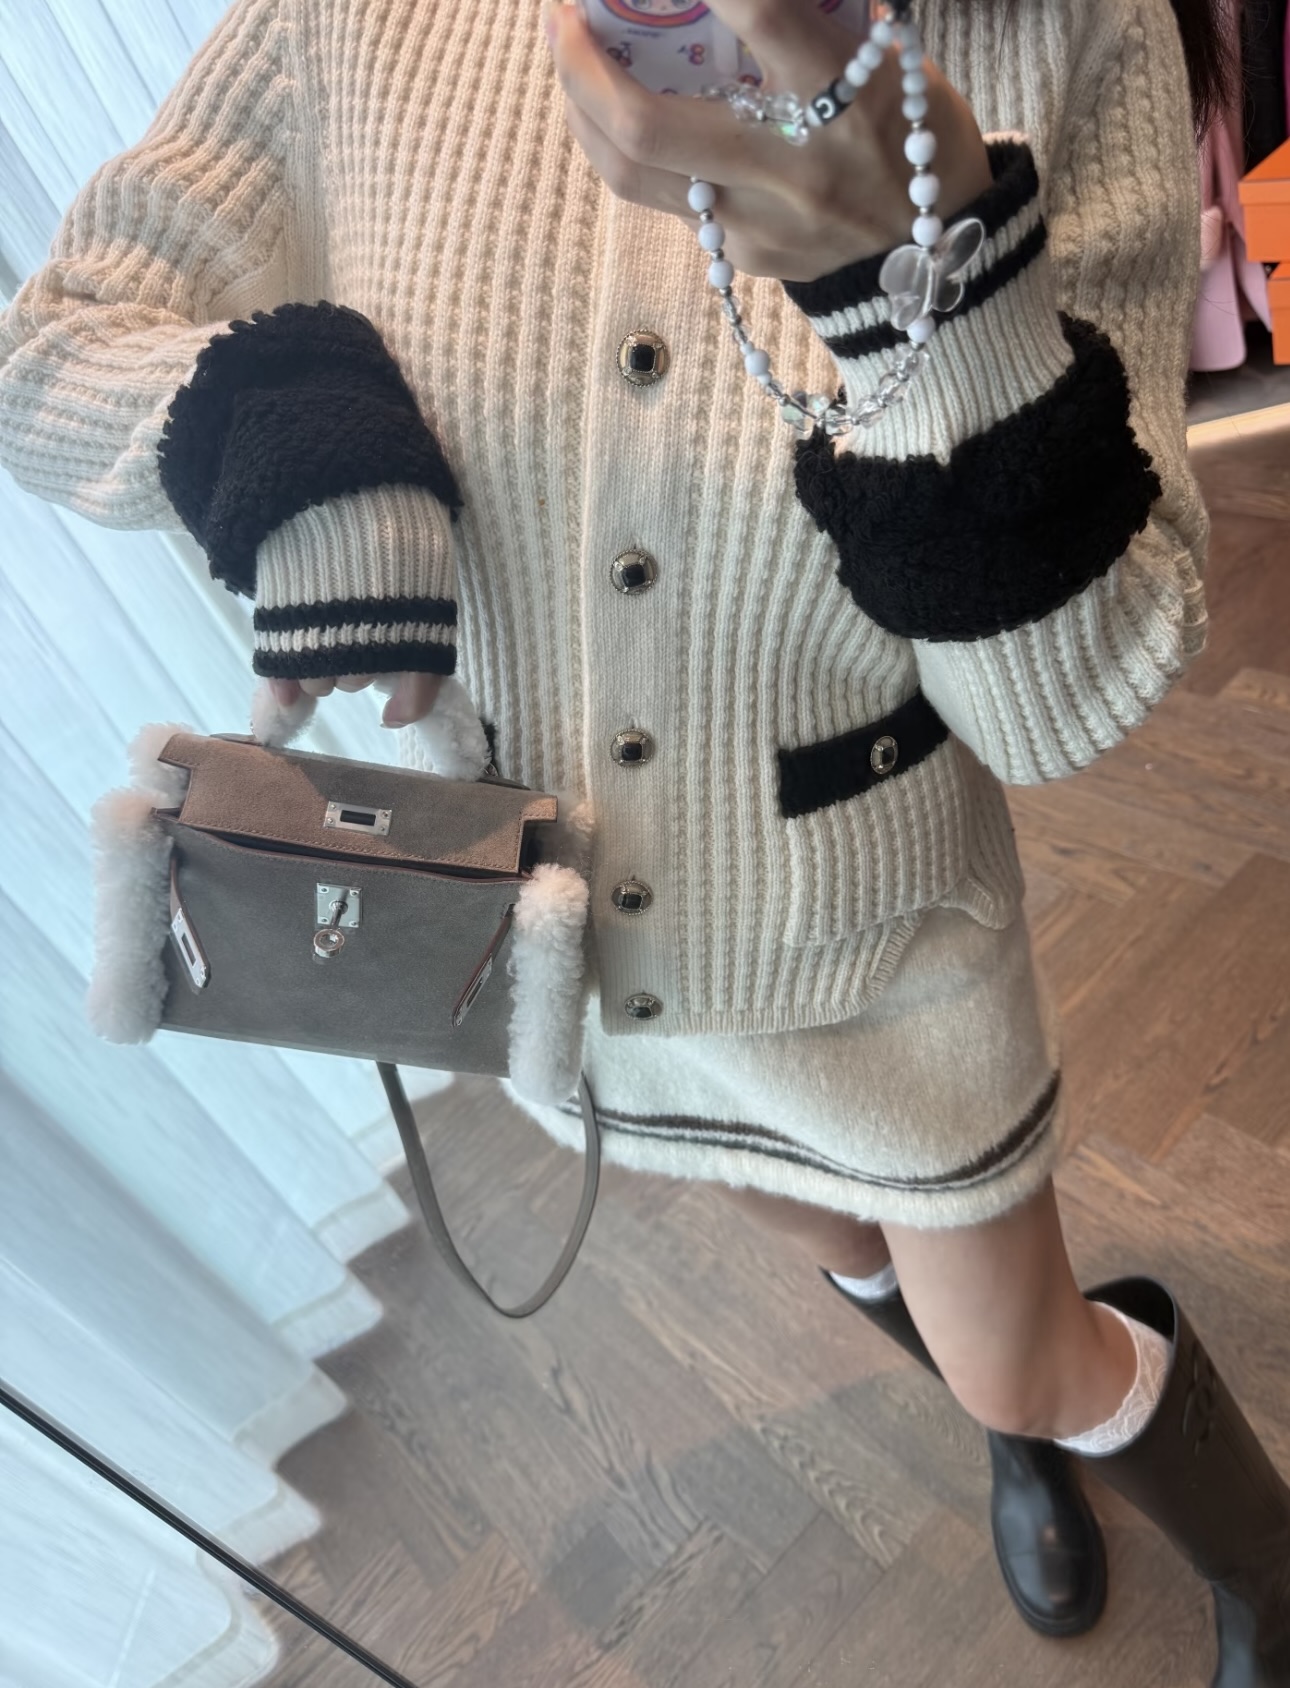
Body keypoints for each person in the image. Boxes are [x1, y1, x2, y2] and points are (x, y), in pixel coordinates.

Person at [1, 0, 1287, 1678]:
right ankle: (1012, 1436)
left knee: (1022, 1355)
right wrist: (297, 445)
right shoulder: (353, 21)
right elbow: (57, 343)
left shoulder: (1061, 37)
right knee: (830, 1237)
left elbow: (1067, 705)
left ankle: (1254, 1556)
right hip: (591, 966)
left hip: (876, 946)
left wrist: (921, 294)